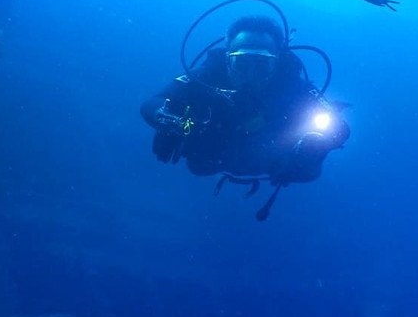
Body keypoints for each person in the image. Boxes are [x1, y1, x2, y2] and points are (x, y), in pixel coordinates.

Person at [140, 15, 349, 209]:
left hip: (276, 161)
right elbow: (152, 103)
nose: (251, 75)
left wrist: (316, 145)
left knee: (309, 170)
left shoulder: (292, 85)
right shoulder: (207, 75)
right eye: (241, 63)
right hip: (210, 159)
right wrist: (167, 120)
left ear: (277, 61)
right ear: (227, 57)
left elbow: (339, 127)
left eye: (262, 65)